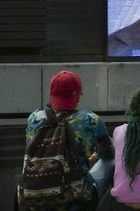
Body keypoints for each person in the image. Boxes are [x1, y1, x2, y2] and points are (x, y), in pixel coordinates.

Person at [24, 70, 114, 210]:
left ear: (51, 94)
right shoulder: (90, 120)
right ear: (77, 96)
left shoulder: (34, 118)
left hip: (38, 198)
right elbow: (109, 154)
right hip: (76, 198)